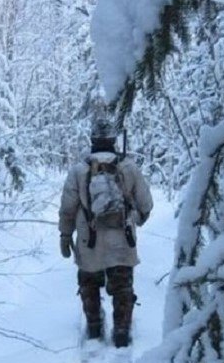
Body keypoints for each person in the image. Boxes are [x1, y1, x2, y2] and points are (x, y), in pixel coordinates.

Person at [58, 116, 153, 348]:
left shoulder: (79, 171)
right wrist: (135, 220)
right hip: (122, 241)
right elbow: (146, 204)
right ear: (113, 141)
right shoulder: (129, 167)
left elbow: (67, 208)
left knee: (89, 284)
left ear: (92, 140)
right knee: (122, 287)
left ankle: (94, 327)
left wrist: (65, 235)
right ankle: (121, 331)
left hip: (89, 241)